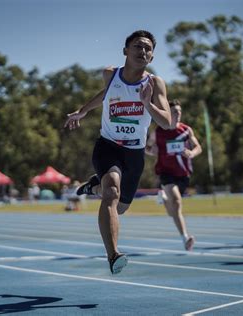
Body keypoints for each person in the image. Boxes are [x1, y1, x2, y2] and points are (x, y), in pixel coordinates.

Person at [64, 30, 171, 274]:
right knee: (111, 192)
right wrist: (83, 110)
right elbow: (106, 94)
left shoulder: (155, 84)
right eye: (137, 46)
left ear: (152, 57)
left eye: (147, 49)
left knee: (120, 207)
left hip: (134, 153)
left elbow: (166, 122)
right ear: (125, 51)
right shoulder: (110, 74)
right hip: (108, 146)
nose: (142, 51)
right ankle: (113, 254)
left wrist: (147, 103)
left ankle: (93, 186)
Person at [145, 99, 202, 251]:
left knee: (173, 210)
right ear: (168, 113)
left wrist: (191, 153)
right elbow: (147, 147)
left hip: (183, 174)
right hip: (165, 172)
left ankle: (163, 199)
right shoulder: (158, 131)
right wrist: (152, 151)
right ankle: (185, 238)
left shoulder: (186, 130)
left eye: (179, 111)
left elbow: (198, 147)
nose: (178, 114)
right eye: (175, 112)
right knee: (176, 201)